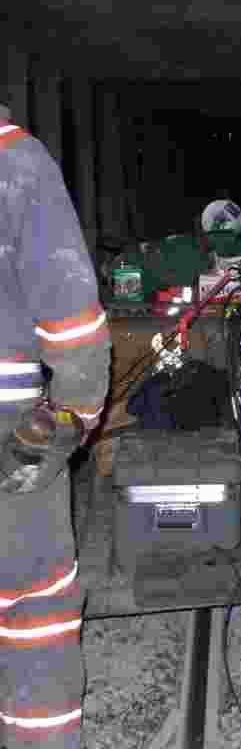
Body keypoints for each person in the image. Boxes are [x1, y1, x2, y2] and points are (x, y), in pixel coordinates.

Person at [0, 106, 111, 748]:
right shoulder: (16, 162)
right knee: (35, 647)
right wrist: (37, 458)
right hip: (10, 480)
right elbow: (79, 350)